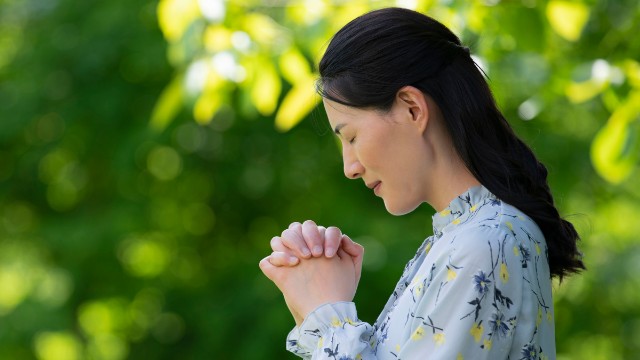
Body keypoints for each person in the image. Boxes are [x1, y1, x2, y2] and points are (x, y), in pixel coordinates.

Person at [259, 7, 584, 359]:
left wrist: (328, 317)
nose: (349, 168)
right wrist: (313, 306)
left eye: (351, 137)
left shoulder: (483, 242)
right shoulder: (466, 239)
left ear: (412, 108)